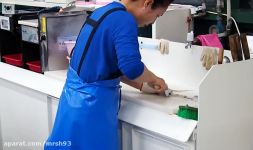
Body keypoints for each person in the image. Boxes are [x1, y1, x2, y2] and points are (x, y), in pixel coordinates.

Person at [44, 0, 172, 149]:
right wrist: (154, 78)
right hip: (92, 108)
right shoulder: (124, 20)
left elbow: (102, 63)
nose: (152, 22)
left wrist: (142, 85)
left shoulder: (102, 12)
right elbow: (132, 67)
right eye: (157, 15)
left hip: (72, 102)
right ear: (148, 3)